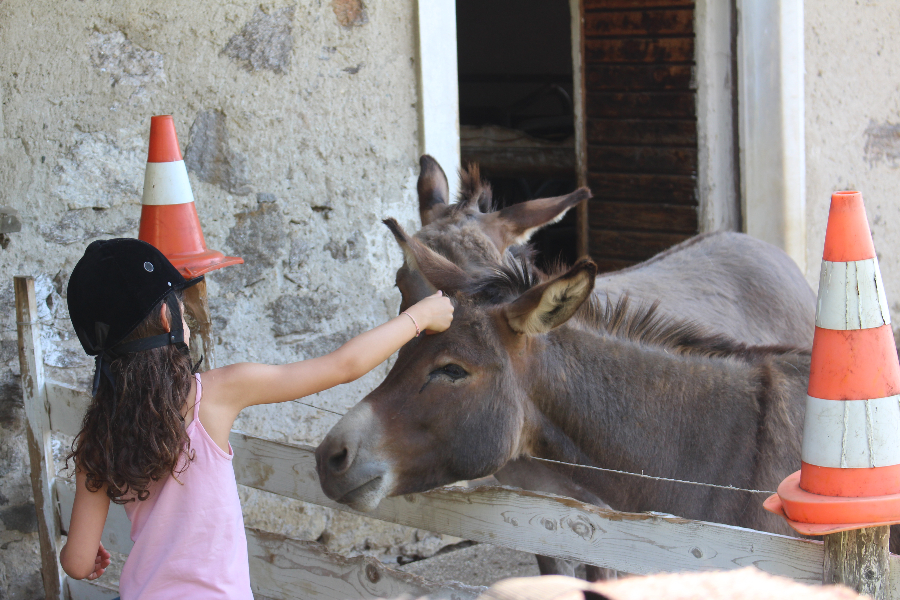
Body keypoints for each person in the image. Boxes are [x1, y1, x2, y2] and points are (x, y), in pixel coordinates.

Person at [59, 238, 453, 599]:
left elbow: (76, 563)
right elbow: (343, 365)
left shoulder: (99, 436)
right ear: (166, 318)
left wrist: (89, 554)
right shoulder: (214, 394)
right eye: (178, 301)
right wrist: (421, 316)